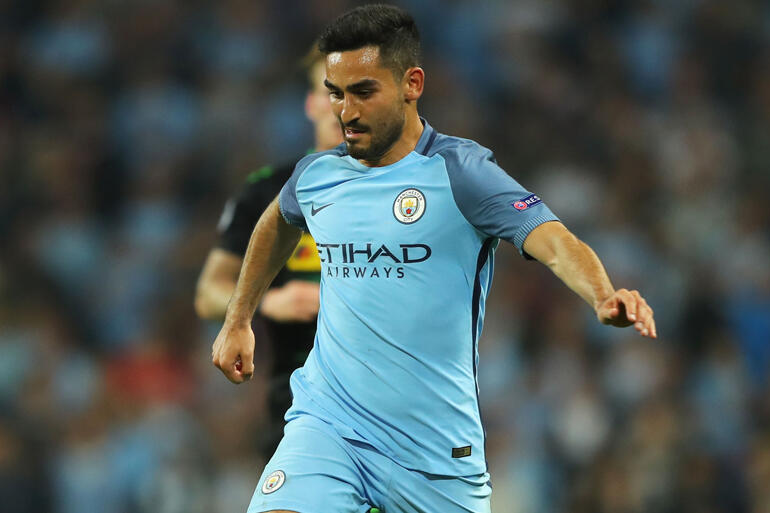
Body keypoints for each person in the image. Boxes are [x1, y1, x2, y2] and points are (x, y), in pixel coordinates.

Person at [212, 5, 657, 513]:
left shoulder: (461, 172)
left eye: (363, 92)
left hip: (434, 455)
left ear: (412, 84)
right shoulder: (317, 176)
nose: (346, 112)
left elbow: (554, 241)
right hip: (329, 427)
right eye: (336, 93)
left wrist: (602, 295)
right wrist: (238, 319)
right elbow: (276, 223)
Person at [195, 45, 342, 458]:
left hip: (391, 402)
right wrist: (267, 301)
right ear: (310, 103)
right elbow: (209, 293)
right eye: (329, 92)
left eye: (353, 92)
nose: (340, 106)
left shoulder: (405, 191)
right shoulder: (268, 190)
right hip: (300, 405)